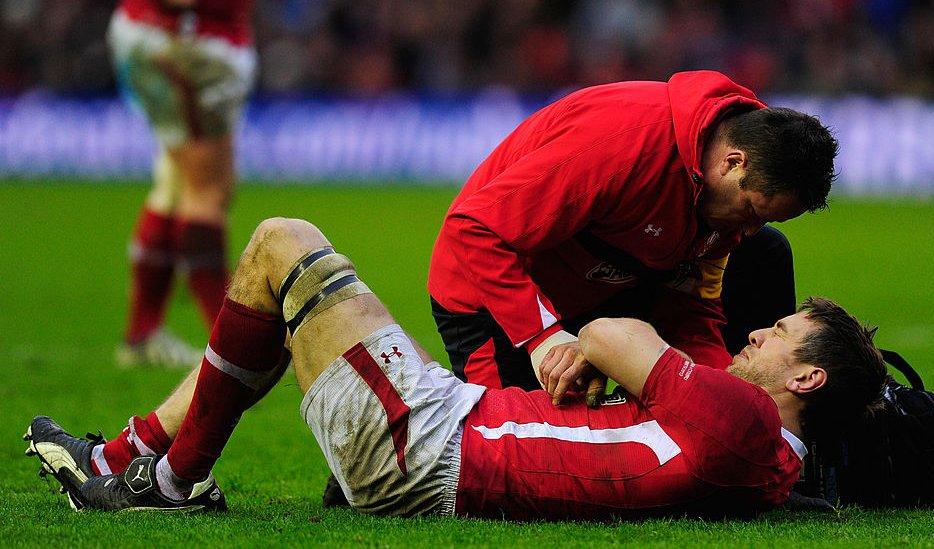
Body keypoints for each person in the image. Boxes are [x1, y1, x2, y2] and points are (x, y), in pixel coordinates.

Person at [25, 218, 886, 519]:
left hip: (431, 446)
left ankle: (167, 478)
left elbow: (617, 330)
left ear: (806, 380)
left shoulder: (744, 419)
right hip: (450, 431)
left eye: (779, 334)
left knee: (282, 246)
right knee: (290, 314)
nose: (757, 337)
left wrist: (590, 345)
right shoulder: (766, 459)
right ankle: (132, 458)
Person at [428, 70, 838, 392]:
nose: (748, 229)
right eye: (752, 210)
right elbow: (474, 228)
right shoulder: (619, 142)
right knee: (511, 466)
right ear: (732, 163)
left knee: (765, 253)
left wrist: (723, 393)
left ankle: (770, 420)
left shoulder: (725, 192)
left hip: (611, 285)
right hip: (497, 294)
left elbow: (694, 306)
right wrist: (543, 338)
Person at [108, 0, 256, 368]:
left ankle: (141, 335)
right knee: (208, 190)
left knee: (175, 181)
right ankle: (232, 350)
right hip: (191, 41)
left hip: (152, 29)